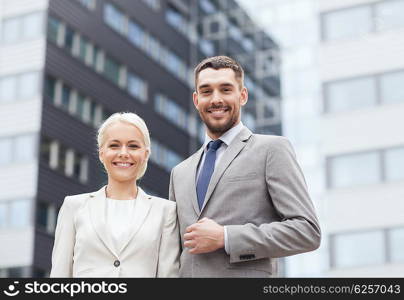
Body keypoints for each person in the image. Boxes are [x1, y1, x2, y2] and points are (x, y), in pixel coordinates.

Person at [169, 56, 321, 277]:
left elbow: (307, 231)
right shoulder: (179, 172)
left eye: (225, 89)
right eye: (206, 91)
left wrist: (226, 236)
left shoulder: (271, 150)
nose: (216, 99)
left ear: (243, 96)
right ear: (196, 99)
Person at [50, 112, 180, 277]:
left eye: (133, 146)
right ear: (101, 153)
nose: (124, 153)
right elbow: (60, 274)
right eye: (114, 145)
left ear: (145, 154)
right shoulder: (73, 207)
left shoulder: (166, 212)